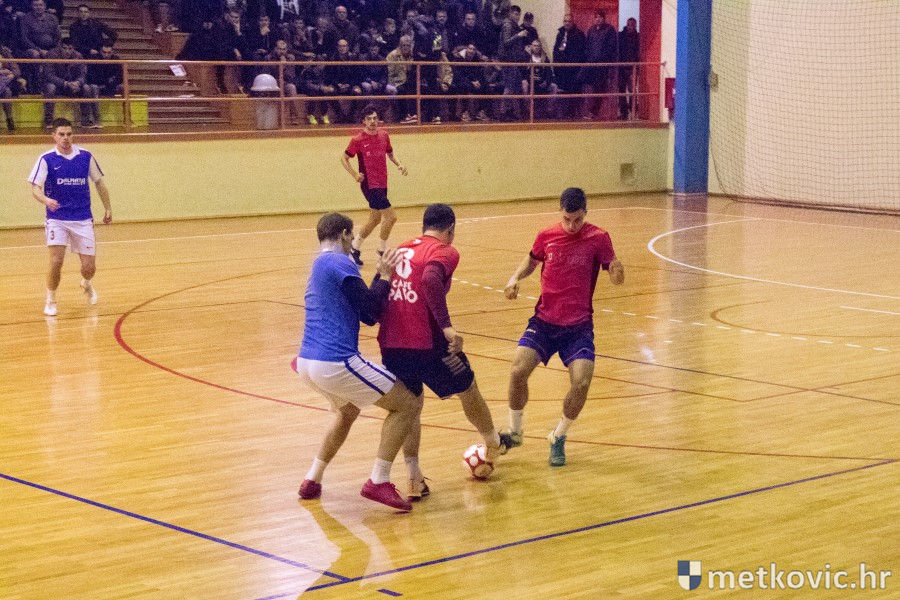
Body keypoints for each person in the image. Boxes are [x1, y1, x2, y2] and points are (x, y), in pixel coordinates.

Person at [377, 203, 511, 501]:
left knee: (411, 404)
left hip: (391, 343)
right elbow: (429, 280)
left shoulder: (402, 248)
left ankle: (413, 477)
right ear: (450, 230)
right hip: (427, 341)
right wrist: (447, 326)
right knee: (468, 386)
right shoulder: (444, 251)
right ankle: (492, 444)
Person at [294, 212, 421, 512]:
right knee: (408, 403)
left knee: (348, 411)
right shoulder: (339, 262)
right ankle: (379, 479)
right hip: (334, 362)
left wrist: (379, 276)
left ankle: (312, 478)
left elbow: (365, 309)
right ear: (344, 234)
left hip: (307, 363)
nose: (353, 242)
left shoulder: (319, 264)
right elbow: (371, 310)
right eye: (351, 236)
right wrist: (385, 275)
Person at [502, 188, 624, 466]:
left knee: (581, 382)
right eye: (567, 219)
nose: (572, 226)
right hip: (544, 322)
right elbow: (532, 260)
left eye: (577, 219)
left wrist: (618, 273)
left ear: (586, 213)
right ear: (561, 212)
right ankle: (515, 431)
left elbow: (615, 274)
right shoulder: (546, 235)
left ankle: (558, 436)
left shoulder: (599, 238)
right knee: (518, 370)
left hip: (578, 327)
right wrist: (514, 278)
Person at [28, 117, 112, 317]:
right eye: (61, 134)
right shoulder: (46, 159)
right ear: (54, 136)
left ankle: (86, 283)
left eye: (69, 134)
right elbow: (35, 188)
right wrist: (46, 200)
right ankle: (51, 299)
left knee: (89, 267)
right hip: (57, 219)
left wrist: (108, 208)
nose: (65, 138)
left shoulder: (85, 156)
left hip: (82, 218)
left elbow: (99, 183)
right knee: (56, 261)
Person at [340, 104, 407, 266]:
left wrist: (399, 164)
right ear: (363, 121)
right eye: (369, 119)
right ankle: (382, 251)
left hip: (383, 182)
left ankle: (354, 248)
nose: (372, 121)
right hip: (369, 185)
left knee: (375, 219)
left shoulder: (384, 135)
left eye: (375, 118)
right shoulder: (357, 140)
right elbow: (344, 158)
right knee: (391, 217)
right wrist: (355, 174)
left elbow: (390, 153)